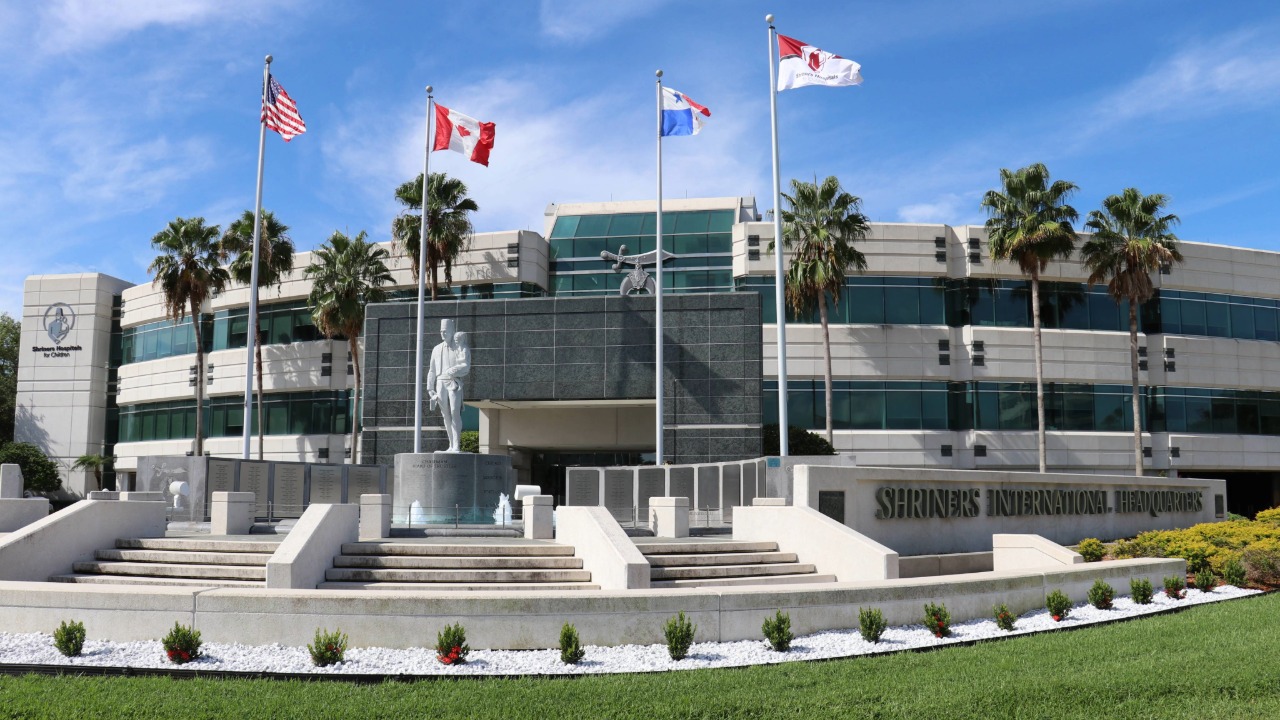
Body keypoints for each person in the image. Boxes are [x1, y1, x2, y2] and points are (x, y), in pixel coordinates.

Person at [427, 319, 470, 453]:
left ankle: (456, 445)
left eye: (445, 331)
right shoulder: (436, 349)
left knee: (454, 412)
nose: (443, 333)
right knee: (445, 414)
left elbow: (466, 366)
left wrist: (455, 370)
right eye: (441, 331)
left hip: (453, 382)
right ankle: (451, 445)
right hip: (440, 383)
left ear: (452, 331)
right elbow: (432, 370)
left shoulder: (460, 347)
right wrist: (430, 388)